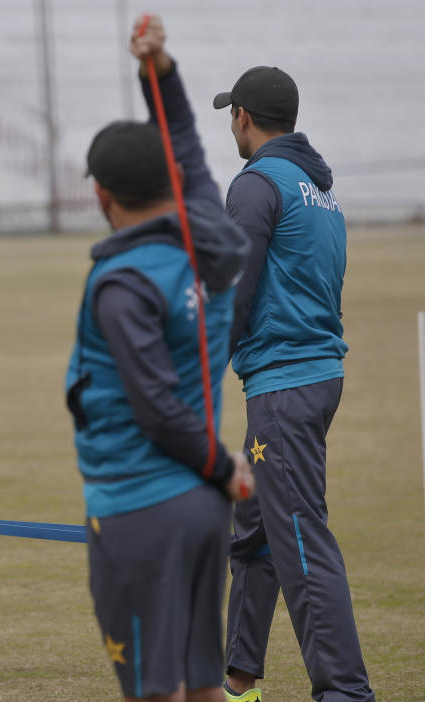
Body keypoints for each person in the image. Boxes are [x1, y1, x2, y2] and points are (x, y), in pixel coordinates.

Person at [65, 16, 255, 702]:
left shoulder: (122, 283)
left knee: (156, 690)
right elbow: (188, 153)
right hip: (205, 509)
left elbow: (153, 407)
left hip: (143, 504)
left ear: (101, 194)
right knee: (202, 682)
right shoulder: (208, 239)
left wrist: (224, 465)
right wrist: (161, 71)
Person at [214, 66, 376, 702]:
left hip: (284, 386)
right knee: (256, 530)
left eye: (232, 114)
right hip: (308, 378)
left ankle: (344, 692)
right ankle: (239, 680)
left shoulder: (256, 184)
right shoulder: (319, 188)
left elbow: (233, 290)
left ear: (245, 118)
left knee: (302, 541)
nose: (232, 123)